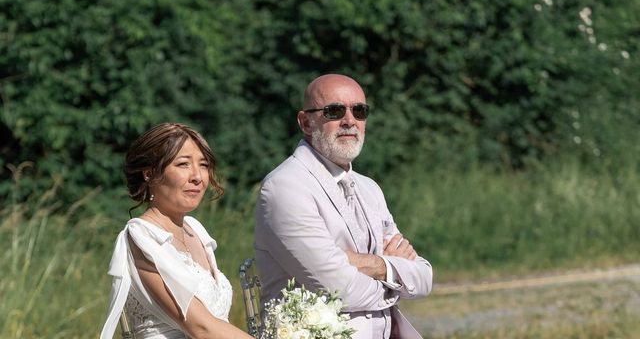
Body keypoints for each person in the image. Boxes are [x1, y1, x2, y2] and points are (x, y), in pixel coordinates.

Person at [255, 74, 433, 339]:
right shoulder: (284, 187)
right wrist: (396, 275)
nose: (350, 120)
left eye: (359, 111)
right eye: (334, 111)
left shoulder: (370, 188)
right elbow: (339, 287)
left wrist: (373, 265)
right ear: (305, 122)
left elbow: (424, 276)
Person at [100, 123, 253, 339]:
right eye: (183, 164)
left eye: (203, 165)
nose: (197, 176)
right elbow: (201, 328)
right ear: (149, 174)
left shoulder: (196, 230)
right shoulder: (142, 237)